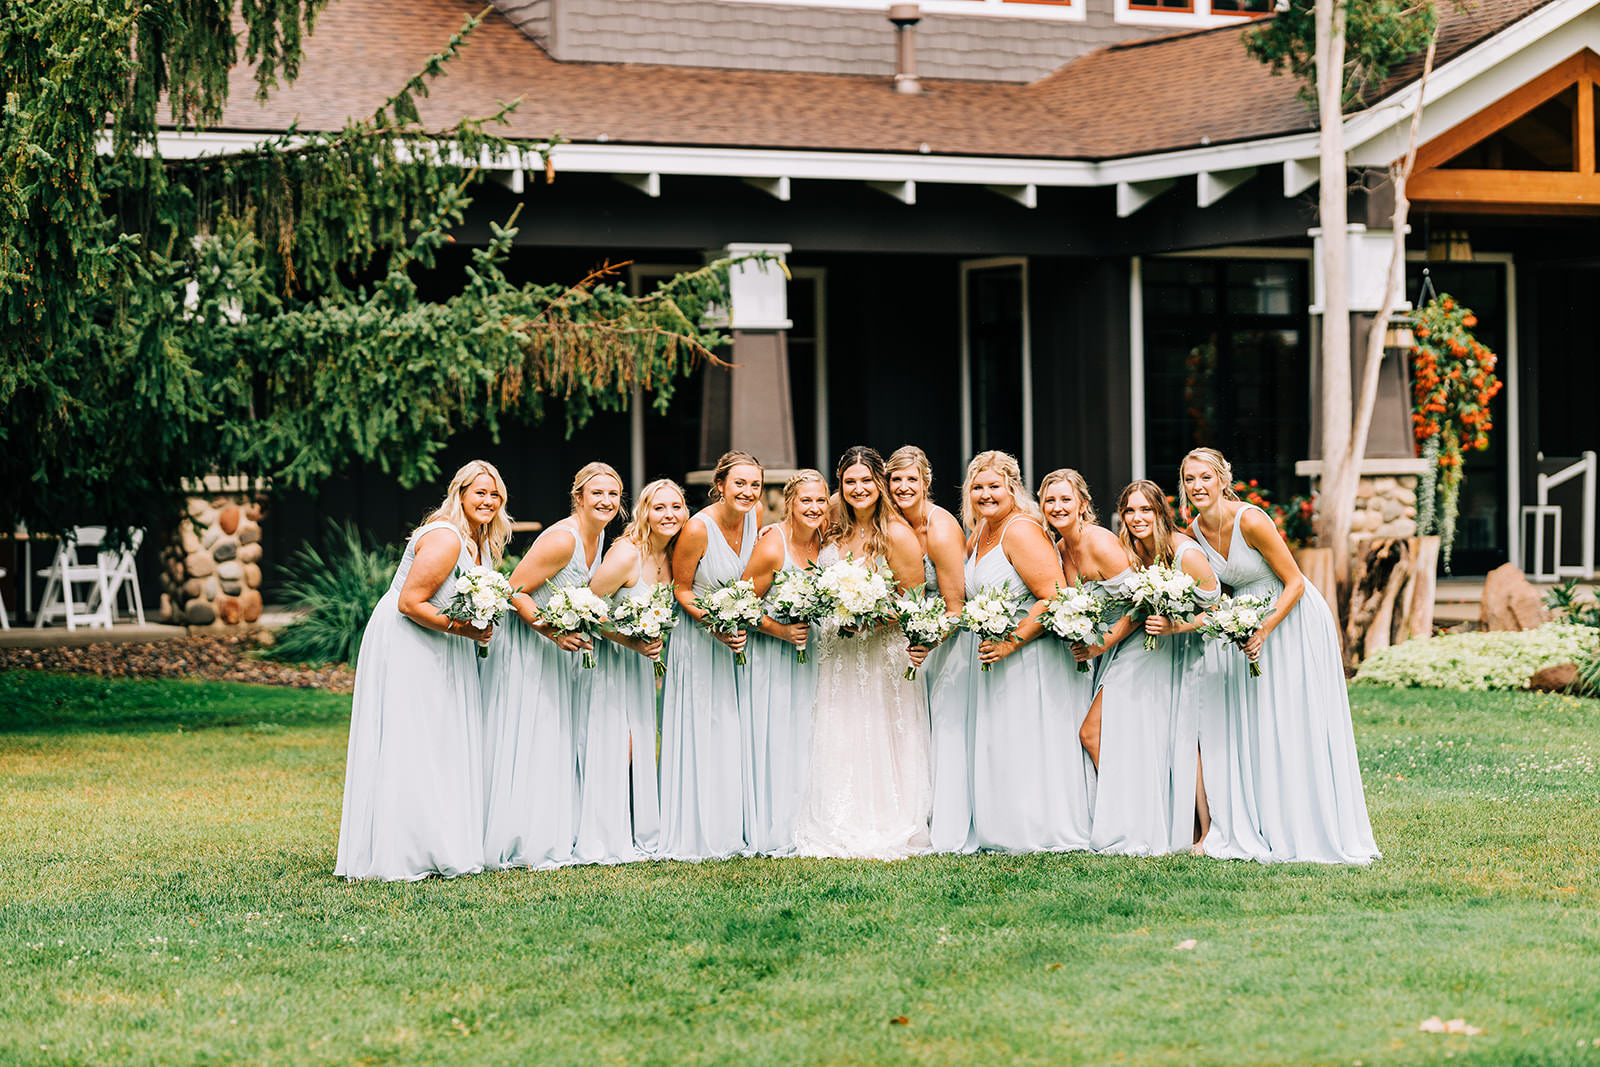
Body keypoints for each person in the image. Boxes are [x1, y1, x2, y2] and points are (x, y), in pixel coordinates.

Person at [1181, 447, 1379, 865]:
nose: (1197, 486)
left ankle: (1307, 823)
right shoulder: (1194, 529)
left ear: (1222, 480)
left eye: (1205, 477)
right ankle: (1264, 820)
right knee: (1258, 719)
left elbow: (1295, 582)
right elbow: (1221, 588)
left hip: (1289, 618)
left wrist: (1264, 628)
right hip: (1246, 621)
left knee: (1290, 718)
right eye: (1189, 479)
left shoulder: (1250, 520)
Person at [335, 460, 510, 881]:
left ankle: (438, 841)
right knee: (414, 739)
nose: (488, 501)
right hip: (409, 642)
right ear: (459, 494)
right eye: (480, 493)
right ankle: (404, 851)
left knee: (440, 741)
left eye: (495, 495)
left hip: (441, 642)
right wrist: (464, 629)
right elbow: (409, 603)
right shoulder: (446, 538)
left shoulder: (480, 540)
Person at [792, 446, 932, 859]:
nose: (858, 489)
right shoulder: (833, 528)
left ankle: (885, 816)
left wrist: (868, 618)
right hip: (838, 652)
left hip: (880, 652)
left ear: (880, 483)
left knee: (879, 729)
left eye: (866, 481)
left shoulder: (897, 535)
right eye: (849, 481)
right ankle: (836, 816)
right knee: (839, 728)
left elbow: (913, 601)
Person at [482, 462, 620, 870]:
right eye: (597, 493)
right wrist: (551, 630)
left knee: (555, 738)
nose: (606, 501)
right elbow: (515, 591)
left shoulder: (600, 536)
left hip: (559, 651)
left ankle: (553, 828)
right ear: (578, 497)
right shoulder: (563, 538)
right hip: (530, 647)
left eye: (613, 495)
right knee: (534, 735)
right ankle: (520, 837)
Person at [1084, 480, 1220, 857]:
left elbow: (1217, 611)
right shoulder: (1130, 549)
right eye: (1129, 510)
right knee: (1100, 732)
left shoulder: (1185, 553)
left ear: (1161, 511)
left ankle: (1207, 832)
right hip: (1141, 646)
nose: (1137, 517)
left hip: (1178, 648)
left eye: (1145, 509)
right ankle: (1135, 816)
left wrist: (1177, 626)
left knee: (1182, 735)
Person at [962, 452, 1089, 852]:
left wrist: (1011, 641)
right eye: (978, 487)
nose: (986, 495)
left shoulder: (1021, 530)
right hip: (996, 656)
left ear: (1012, 488)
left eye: (994, 486)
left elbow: (1054, 596)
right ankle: (1004, 826)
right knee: (1005, 741)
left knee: (1029, 740)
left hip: (1029, 656)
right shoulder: (980, 532)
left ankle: (1038, 827)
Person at [658, 451, 764, 861]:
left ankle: (734, 821)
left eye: (755, 485)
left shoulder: (754, 518)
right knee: (705, 724)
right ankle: (699, 825)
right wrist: (715, 624)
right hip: (700, 639)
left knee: (734, 727)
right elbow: (681, 589)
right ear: (720, 485)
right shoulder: (698, 529)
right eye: (740, 484)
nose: (748, 492)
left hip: (735, 639)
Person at [577, 478, 689, 863]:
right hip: (610, 662)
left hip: (639, 666)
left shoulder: (672, 555)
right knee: (617, 745)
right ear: (644, 512)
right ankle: (603, 836)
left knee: (638, 746)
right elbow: (586, 608)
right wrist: (628, 640)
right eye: (659, 507)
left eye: (676, 507)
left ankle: (629, 829)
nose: (668, 514)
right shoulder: (627, 554)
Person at [886, 445, 973, 853]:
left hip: (943, 643)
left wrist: (925, 641)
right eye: (896, 479)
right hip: (902, 641)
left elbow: (956, 607)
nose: (903, 487)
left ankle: (944, 816)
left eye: (912, 479)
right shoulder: (888, 520)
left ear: (926, 482)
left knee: (940, 729)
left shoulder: (940, 528)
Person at [741, 469, 828, 855]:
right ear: (789, 503)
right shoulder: (773, 545)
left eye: (820, 500)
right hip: (774, 658)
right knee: (777, 735)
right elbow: (741, 605)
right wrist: (781, 631)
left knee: (808, 734)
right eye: (805, 500)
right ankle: (774, 823)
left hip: (812, 655)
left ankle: (806, 817)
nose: (813, 507)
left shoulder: (826, 541)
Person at [1038, 467, 1131, 822]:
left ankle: (1122, 813)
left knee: (1091, 733)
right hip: (1100, 652)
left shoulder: (1099, 542)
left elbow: (1142, 603)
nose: (1057, 507)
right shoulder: (1059, 549)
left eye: (1066, 499)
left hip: (1131, 645)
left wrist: (1103, 644)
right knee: (1108, 733)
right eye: (1050, 500)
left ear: (1082, 504)